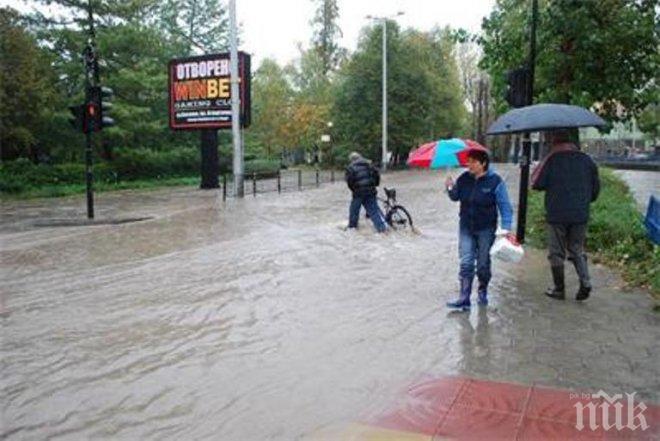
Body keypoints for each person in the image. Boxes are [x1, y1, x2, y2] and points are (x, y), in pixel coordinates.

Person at [531, 129, 600, 301]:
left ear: (554, 142)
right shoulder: (587, 159)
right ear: (572, 142)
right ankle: (585, 282)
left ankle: (559, 289)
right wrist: (584, 201)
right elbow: (596, 189)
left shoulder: (551, 159)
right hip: (580, 213)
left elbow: (537, 184)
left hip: (557, 213)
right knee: (577, 248)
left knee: (556, 252)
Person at [444, 149, 514, 310]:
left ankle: (482, 288)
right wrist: (449, 188)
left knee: (483, 264)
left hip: (486, 229)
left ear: (483, 164)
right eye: (468, 161)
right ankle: (464, 298)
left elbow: (505, 207)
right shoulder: (463, 179)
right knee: (466, 262)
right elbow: (455, 197)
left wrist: (506, 229)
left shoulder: (496, 182)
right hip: (466, 227)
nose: (469, 164)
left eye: (473, 162)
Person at [345, 152, 387, 233]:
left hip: (358, 193)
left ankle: (352, 229)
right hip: (371, 191)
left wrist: (354, 190)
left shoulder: (350, 168)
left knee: (354, 211)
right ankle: (382, 229)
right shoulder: (369, 165)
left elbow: (349, 182)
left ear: (352, 160)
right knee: (374, 211)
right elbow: (377, 175)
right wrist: (375, 185)